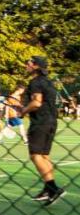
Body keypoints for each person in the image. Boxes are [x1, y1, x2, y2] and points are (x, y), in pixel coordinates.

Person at [21, 56, 64, 205]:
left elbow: (37, 102)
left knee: (35, 156)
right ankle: (48, 188)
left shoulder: (35, 82)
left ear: (35, 66)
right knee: (45, 155)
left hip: (40, 122)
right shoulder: (48, 82)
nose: (26, 64)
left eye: (29, 62)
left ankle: (52, 188)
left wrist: (23, 111)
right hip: (52, 121)